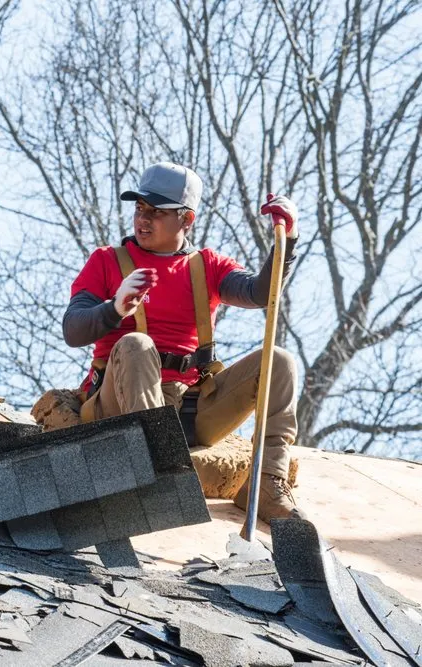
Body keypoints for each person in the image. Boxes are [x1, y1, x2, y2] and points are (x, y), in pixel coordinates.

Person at [60, 162, 303, 522]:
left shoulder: (206, 266)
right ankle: (152, 470)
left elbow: (260, 292)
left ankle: (265, 486)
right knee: (136, 344)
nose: (143, 218)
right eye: (140, 208)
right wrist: (115, 308)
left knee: (279, 361)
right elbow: (73, 330)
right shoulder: (106, 262)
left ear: (186, 220)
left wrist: (288, 237)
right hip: (118, 407)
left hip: (187, 412)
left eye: (157, 212)